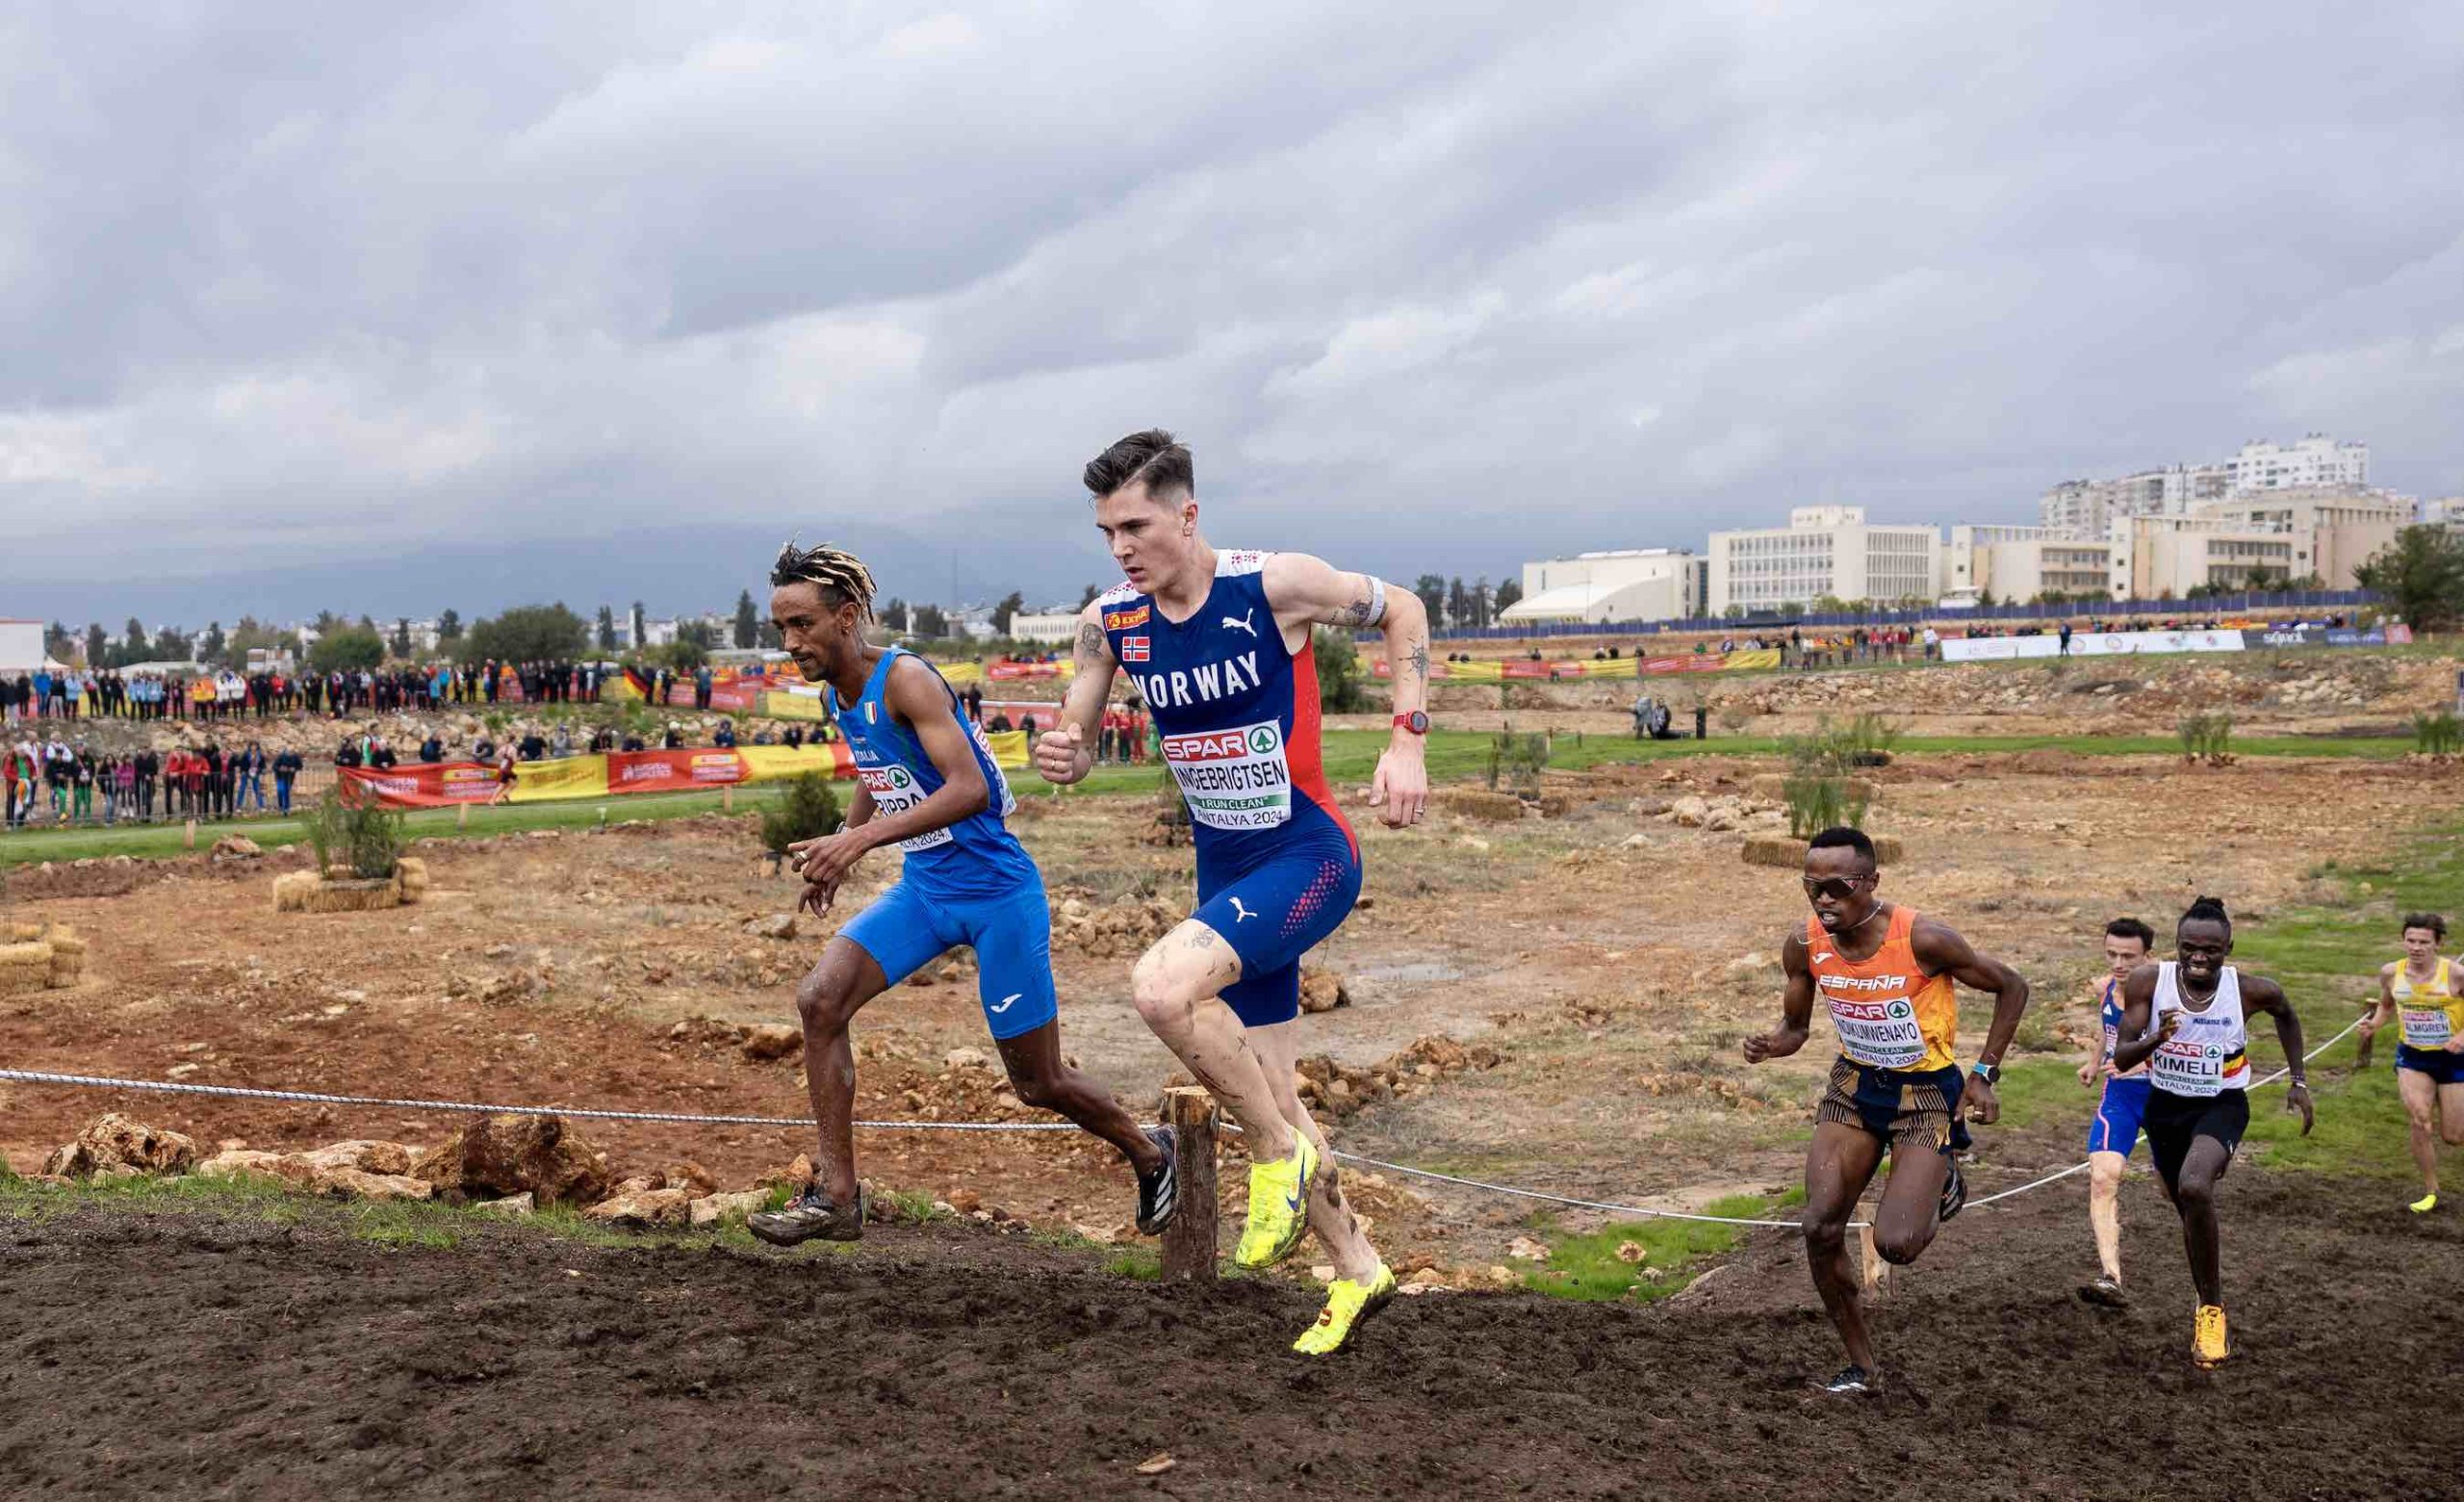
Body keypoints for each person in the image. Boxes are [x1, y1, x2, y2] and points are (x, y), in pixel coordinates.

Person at [1035, 428, 1432, 1355]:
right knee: (1275, 1090)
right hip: (1228, 871)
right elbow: (1078, 735)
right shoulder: (1114, 622)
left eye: (1135, 524)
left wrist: (1407, 736)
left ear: (1187, 513)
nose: (1122, 547)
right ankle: (1357, 1268)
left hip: (1308, 857)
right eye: (1106, 532)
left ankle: (1272, 1158)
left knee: (1161, 990)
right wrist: (1066, 752)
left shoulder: (1273, 586)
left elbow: (1403, 608)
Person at [745, 542, 1171, 1251]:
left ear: (846, 616)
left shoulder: (905, 677)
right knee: (820, 1000)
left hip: (997, 893)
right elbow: (878, 763)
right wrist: (843, 843)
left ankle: (1152, 1150)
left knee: (1038, 1082)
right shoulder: (838, 694)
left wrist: (862, 842)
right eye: (780, 628)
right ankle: (839, 1197)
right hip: (925, 891)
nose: (790, 644)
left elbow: (969, 787)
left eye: (801, 625)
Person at [1741, 826, 2031, 1395]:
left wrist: (1984, 1074)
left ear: (1870, 882)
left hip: (1925, 1094)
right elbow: (1796, 1027)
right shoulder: (1804, 945)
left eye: (1838, 886)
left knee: (1897, 1245)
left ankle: (1945, 1172)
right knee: (1819, 1227)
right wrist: (1773, 1044)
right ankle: (1863, 1368)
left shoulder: (1923, 938)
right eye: (1811, 886)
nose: (1824, 898)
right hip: (1854, 1087)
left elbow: (2012, 987)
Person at [2111, 896, 2311, 1368]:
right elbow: (2120, 1057)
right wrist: (2157, 1039)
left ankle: (2211, 1310)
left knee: (2195, 1186)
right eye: (2188, 948)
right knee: (2186, 1206)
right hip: (2165, 1109)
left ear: (2228, 948)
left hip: (2222, 1105)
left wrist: (2298, 1081)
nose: (2198, 958)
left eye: (2210, 950)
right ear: (2176, 945)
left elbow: (2286, 1012)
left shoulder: (2248, 991)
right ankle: (2205, 1288)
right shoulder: (2148, 981)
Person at [2357, 912, 2464, 1212]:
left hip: (2453, 1058)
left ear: (2438, 944)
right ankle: (2431, 1190)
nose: (2416, 947)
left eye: (2424, 942)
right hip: (2413, 1057)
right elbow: (2387, 1003)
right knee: (2420, 1119)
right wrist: (2375, 1024)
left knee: (2454, 1136)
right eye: (2411, 940)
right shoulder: (2391, 972)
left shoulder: (2455, 974)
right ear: (2403, 941)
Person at [2076, 917, 2157, 1306]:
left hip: (2165, 1097)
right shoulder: (2104, 987)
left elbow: (2183, 1045)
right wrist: (2096, 1062)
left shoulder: (2165, 995)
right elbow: (2106, 1029)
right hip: (2120, 1097)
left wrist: (2143, 1064)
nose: (2119, 963)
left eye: (2128, 956)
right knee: (2103, 1177)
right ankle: (2112, 1277)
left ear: (2148, 956)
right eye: (2112, 954)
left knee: (2176, 1188)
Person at [271, 746, 303, 814]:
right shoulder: (281, 756)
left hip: (289, 777)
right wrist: (281, 768)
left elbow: (300, 766)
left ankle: (286, 808)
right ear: (286, 751)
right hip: (280, 776)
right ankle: (281, 806)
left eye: (292, 751)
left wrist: (294, 768)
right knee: (280, 791)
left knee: (286, 792)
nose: (290, 753)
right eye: (289, 751)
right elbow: (274, 766)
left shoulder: (296, 757)